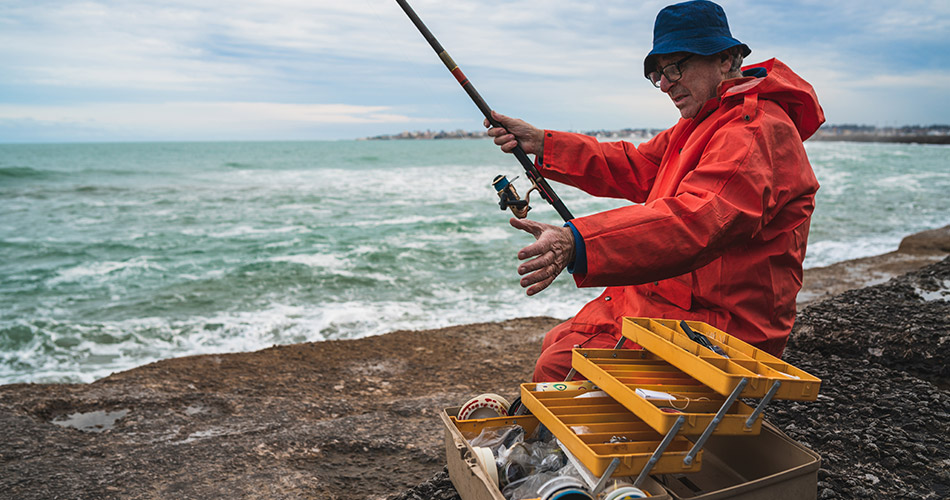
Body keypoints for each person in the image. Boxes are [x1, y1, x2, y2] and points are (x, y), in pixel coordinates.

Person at [485, 0, 824, 382]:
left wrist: (576, 243)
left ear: (727, 60)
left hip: (722, 329)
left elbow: (697, 222)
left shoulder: (754, 131)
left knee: (560, 370)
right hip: (669, 306)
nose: (665, 84)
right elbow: (636, 167)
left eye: (676, 67)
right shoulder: (704, 121)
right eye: (659, 74)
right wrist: (544, 144)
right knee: (558, 349)